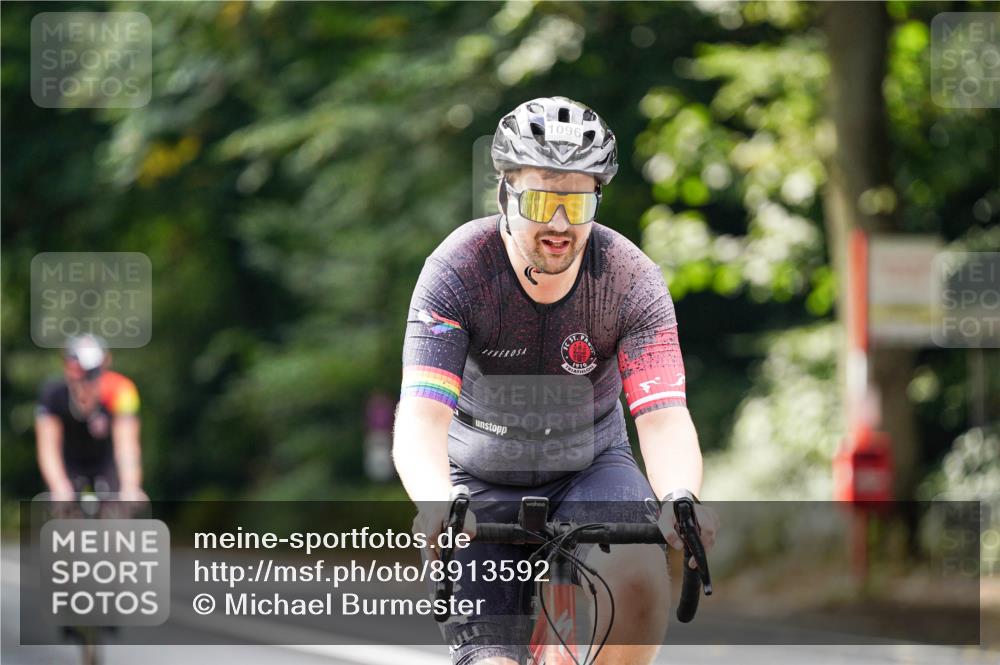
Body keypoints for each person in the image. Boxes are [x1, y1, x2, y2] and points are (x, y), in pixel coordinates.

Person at [394, 96, 719, 665]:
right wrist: (435, 502)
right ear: (505, 192)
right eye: (543, 199)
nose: (561, 223)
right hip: (479, 482)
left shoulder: (628, 278)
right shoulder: (458, 270)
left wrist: (679, 498)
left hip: (590, 469)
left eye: (579, 200)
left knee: (641, 576)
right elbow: (422, 419)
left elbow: (664, 417)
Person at [35, 334, 145, 502]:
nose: (84, 383)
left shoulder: (121, 391)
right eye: (76, 372)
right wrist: (59, 486)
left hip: (107, 464)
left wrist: (131, 486)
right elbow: (48, 448)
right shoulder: (53, 394)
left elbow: (127, 446)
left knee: (119, 512)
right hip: (69, 464)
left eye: (90, 374)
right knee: (63, 510)